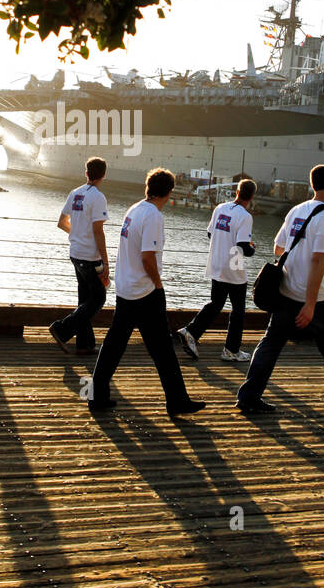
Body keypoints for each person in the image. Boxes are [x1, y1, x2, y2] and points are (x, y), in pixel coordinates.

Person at [236, 164, 324, 423]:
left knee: (270, 344)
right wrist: (310, 305)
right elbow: (318, 261)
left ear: (312, 184)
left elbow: (279, 248)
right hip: (316, 298)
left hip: (286, 290)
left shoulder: (297, 210)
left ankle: (248, 396)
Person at [87, 168, 206, 417]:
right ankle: (177, 401)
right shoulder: (153, 216)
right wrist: (158, 285)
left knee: (114, 344)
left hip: (126, 288)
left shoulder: (135, 209)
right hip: (145, 291)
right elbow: (148, 258)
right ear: (169, 191)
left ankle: (97, 396)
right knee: (162, 349)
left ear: (148, 186)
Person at [177, 178, 257, 363]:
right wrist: (253, 248)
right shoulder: (245, 216)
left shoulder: (220, 208)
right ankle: (231, 350)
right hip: (234, 268)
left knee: (216, 303)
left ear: (237, 191)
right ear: (251, 196)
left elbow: (210, 233)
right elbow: (243, 246)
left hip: (216, 263)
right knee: (238, 310)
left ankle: (191, 331)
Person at [49, 157, 110, 355]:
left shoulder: (75, 193)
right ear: (103, 175)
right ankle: (61, 328)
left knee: (84, 299)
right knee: (98, 298)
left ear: (86, 173)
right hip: (90, 257)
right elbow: (98, 231)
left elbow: (61, 222)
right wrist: (106, 261)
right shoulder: (98, 197)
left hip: (75, 253)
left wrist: (76, 235)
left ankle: (84, 344)